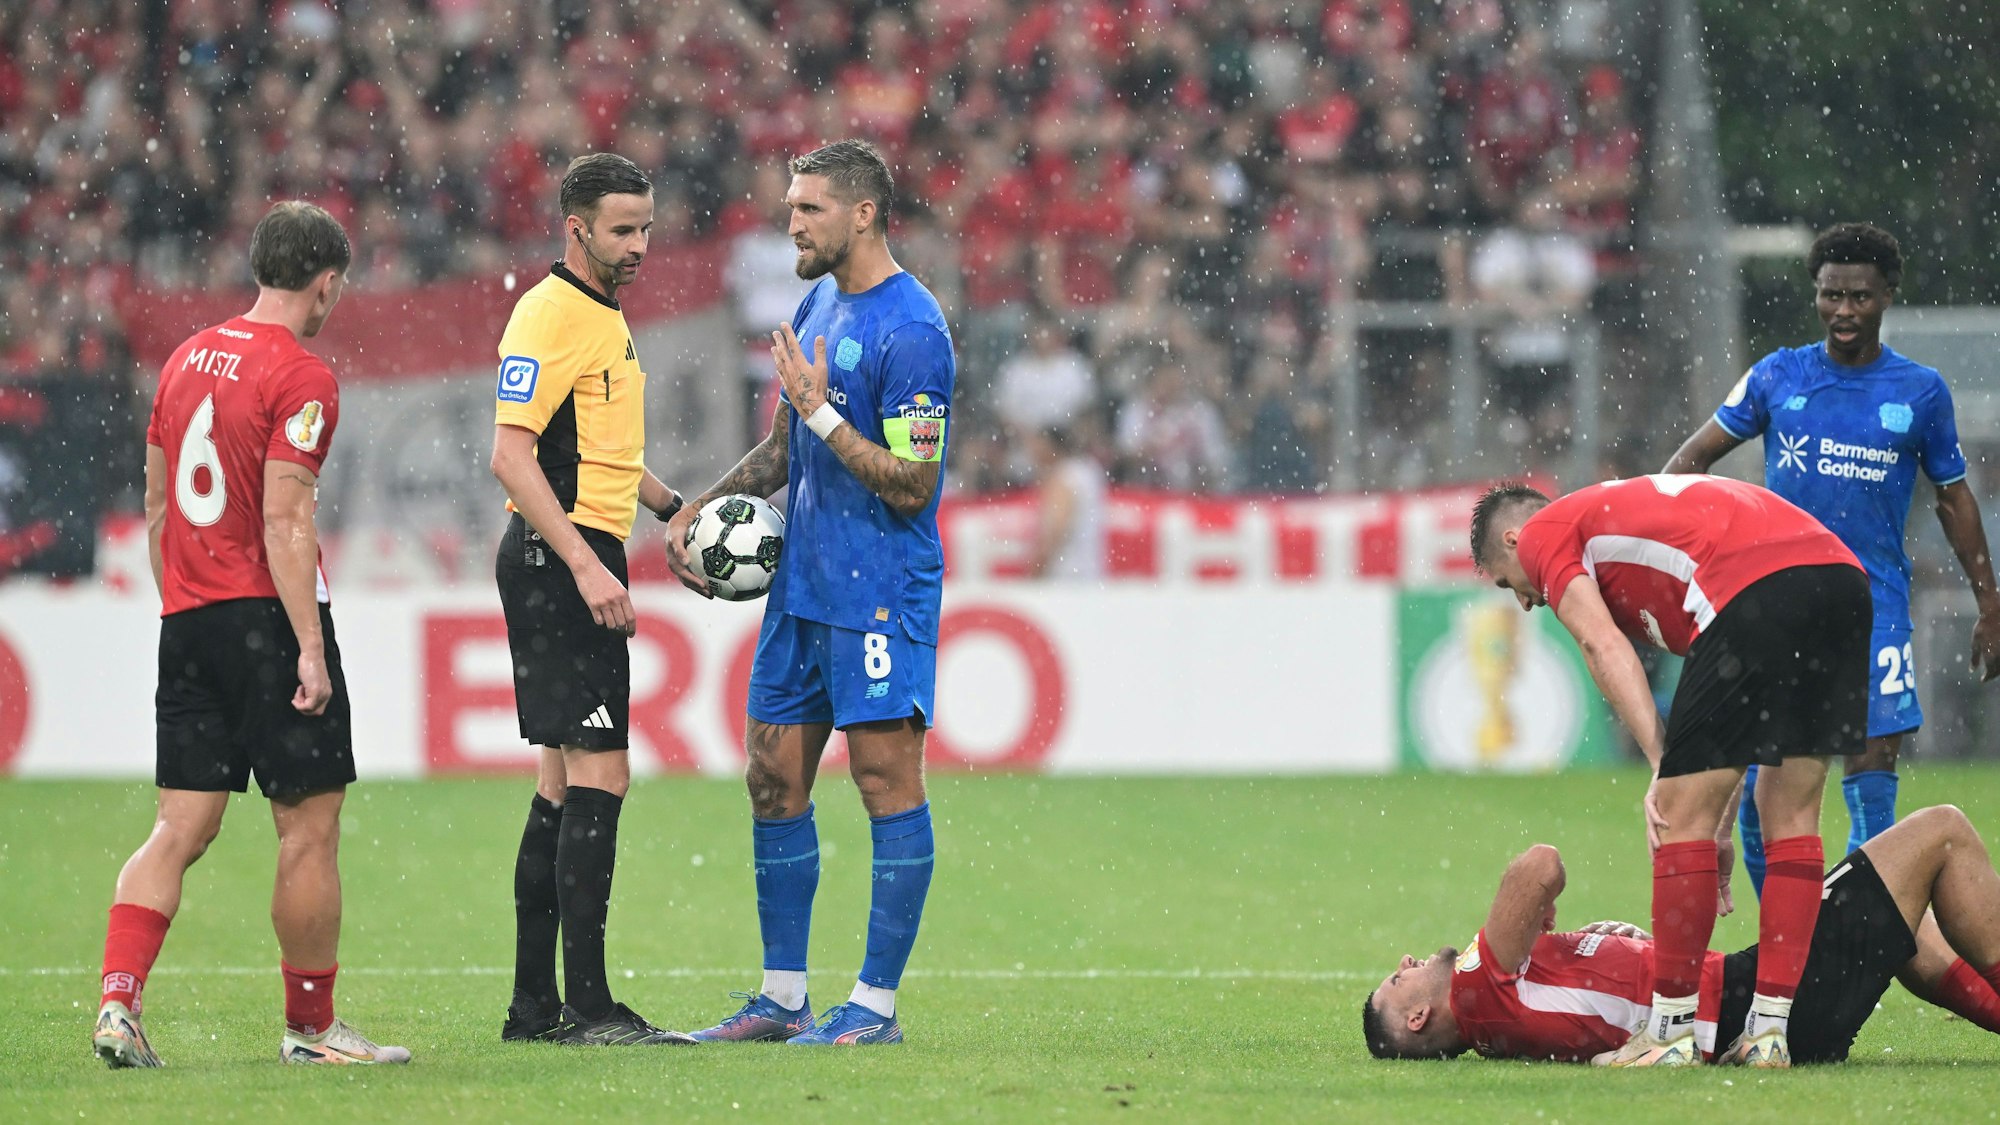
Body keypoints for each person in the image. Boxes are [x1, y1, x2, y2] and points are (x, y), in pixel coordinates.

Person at [93, 201, 410, 1068]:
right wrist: (306, 644)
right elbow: (285, 516)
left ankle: (118, 1004)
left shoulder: (184, 359)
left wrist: (184, 606)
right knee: (307, 830)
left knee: (177, 828)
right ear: (327, 282)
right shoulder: (303, 375)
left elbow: (158, 503)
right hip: (267, 617)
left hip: (188, 615)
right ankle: (311, 1029)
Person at [665, 139, 953, 1046]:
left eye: (808, 209)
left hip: (878, 593)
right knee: (771, 775)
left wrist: (825, 411)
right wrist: (703, 509)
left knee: (882, 778)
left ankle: (874, 1006)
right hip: (801, 590)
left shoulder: (915, 330)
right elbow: (791, 449)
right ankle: (782, 995)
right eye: (790, 206)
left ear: (862, 213)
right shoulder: (816, 301)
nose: (790, 222)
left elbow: (913, 483)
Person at [1469, 476, 1869, 1066]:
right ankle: (1768, 1034)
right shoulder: (1635, 546)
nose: (1524, 601)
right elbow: (1740, 721)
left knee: (1676, 816)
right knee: (1790, 812)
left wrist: (1665, 762)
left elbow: (1601, 645)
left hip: (1755, 584)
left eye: (1508, 582)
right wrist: (1720, 825)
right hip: (1840, 581)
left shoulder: (1542, 534)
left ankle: (1671, 1034)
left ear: (1513, 536)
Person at [1662, 222, 2000, 894]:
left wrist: (1990, 603)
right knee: (1763, 797)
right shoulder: (1777, 376)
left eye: (1860, 297)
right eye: (1831, 296)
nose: (1844, 311)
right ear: (1816, 294)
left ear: (1887, 296)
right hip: (1779, 609)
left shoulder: (1920, 391)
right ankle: (1796, 948)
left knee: (1871, 784)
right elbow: (1687, 465)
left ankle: (1858, 941)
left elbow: (1954, 500)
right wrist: (1688, 564)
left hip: (1876, 607)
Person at [490, 152, 694, 1047]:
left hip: (576, 546)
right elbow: (511, 454)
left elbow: (599, 449)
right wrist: (582, 563)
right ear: (575, 228)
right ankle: (591, 1005)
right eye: (622, 229)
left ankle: (535, 1006)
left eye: (646, 226)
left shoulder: (603, 316)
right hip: (556, 557)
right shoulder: (547, 313)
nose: (639, 244)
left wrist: (671, 507)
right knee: (602, 775)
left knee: (561, 783)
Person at [1361, 804, 2000, 1065]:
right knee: (1941, 830)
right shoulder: (1477, 992)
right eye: (1400, 977)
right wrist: (1541, 905)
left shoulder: (1503, 1018)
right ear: (1419, 1016)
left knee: (1902, 925)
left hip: (1754, 1008)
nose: (1409, 960)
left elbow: (1592, 999)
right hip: (1762, 1006)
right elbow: (1539, 864)